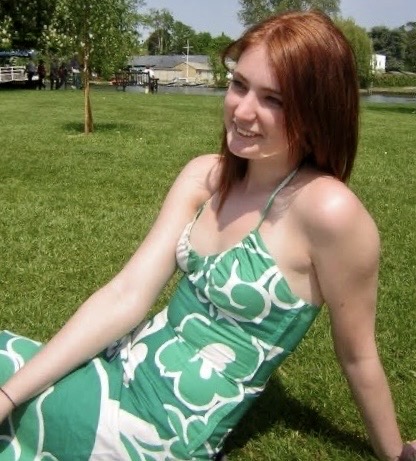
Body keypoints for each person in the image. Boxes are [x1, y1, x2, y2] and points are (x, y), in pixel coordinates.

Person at [0, 10, 414, 461]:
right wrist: (7, 397)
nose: (242, 110)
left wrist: (395, 453)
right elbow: (126, 295)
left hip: (154, 427)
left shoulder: (328, 211)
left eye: (274, 99)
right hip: (119, 365)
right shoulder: (205, 177)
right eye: (240, 85)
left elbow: (358, 355)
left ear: (317, 111)